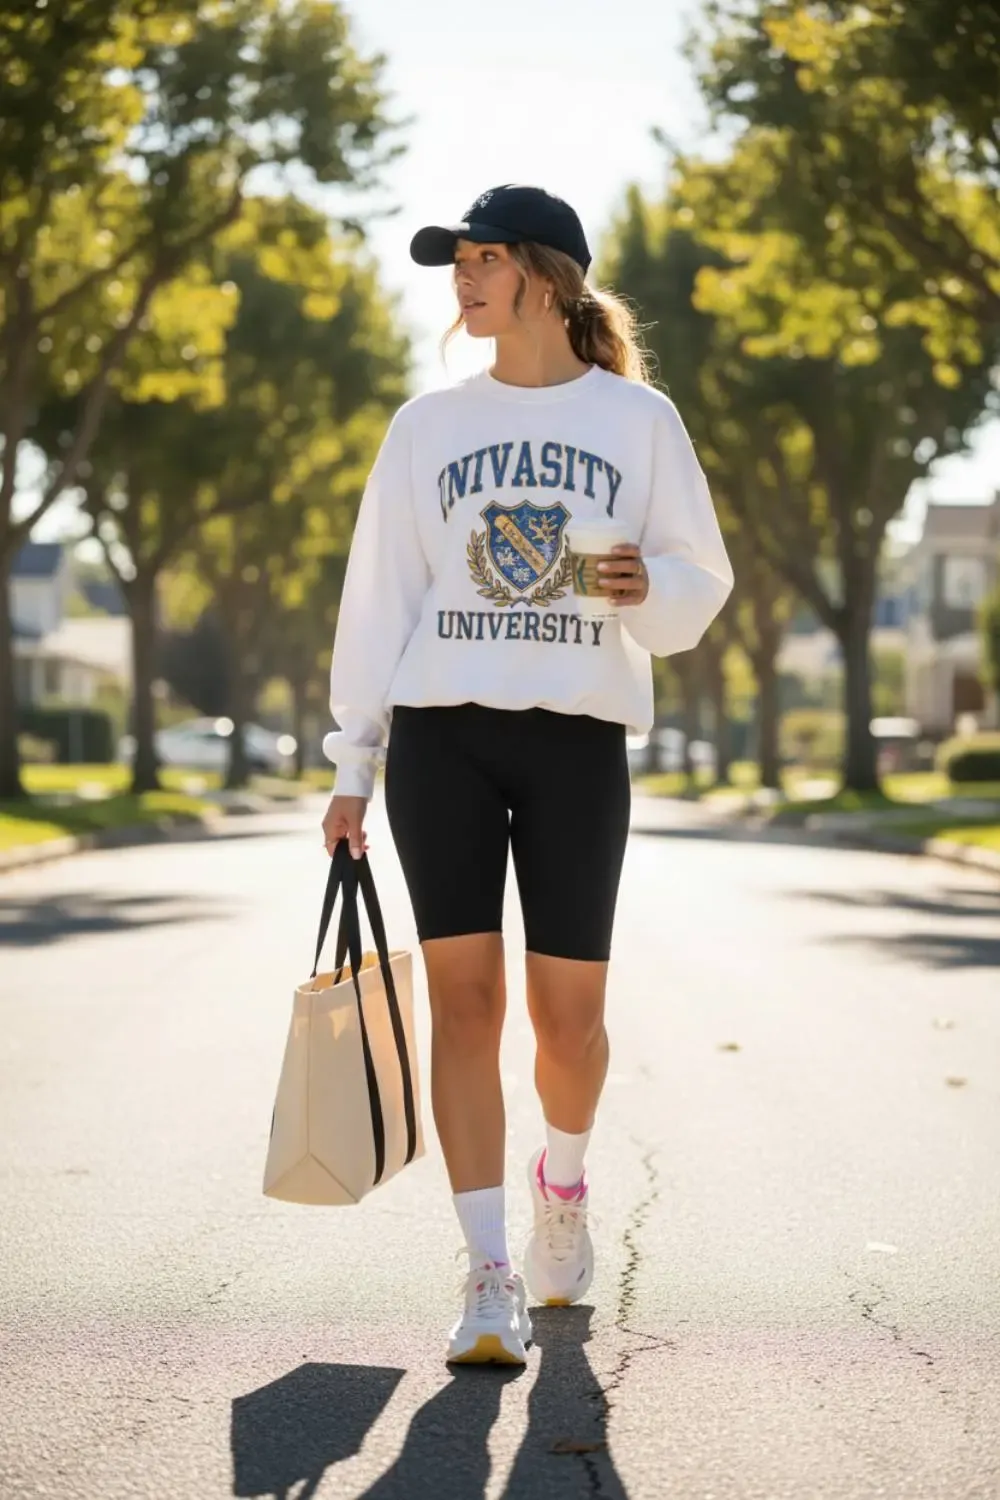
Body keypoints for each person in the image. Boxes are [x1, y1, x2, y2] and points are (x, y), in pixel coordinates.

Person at [321, 184, 733, 1365]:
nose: (463, 277)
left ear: (545, 277)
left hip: (574, 740)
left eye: (484, 257)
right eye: (456, 260)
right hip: (441, 737)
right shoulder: (423, 429)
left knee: (569, 1021)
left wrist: (643, 589)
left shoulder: (640, 420)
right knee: (465, 1006)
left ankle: (561, 1185)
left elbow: (695, 585)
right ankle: (488, 1271)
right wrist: (355, 760)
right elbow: (380, 601)